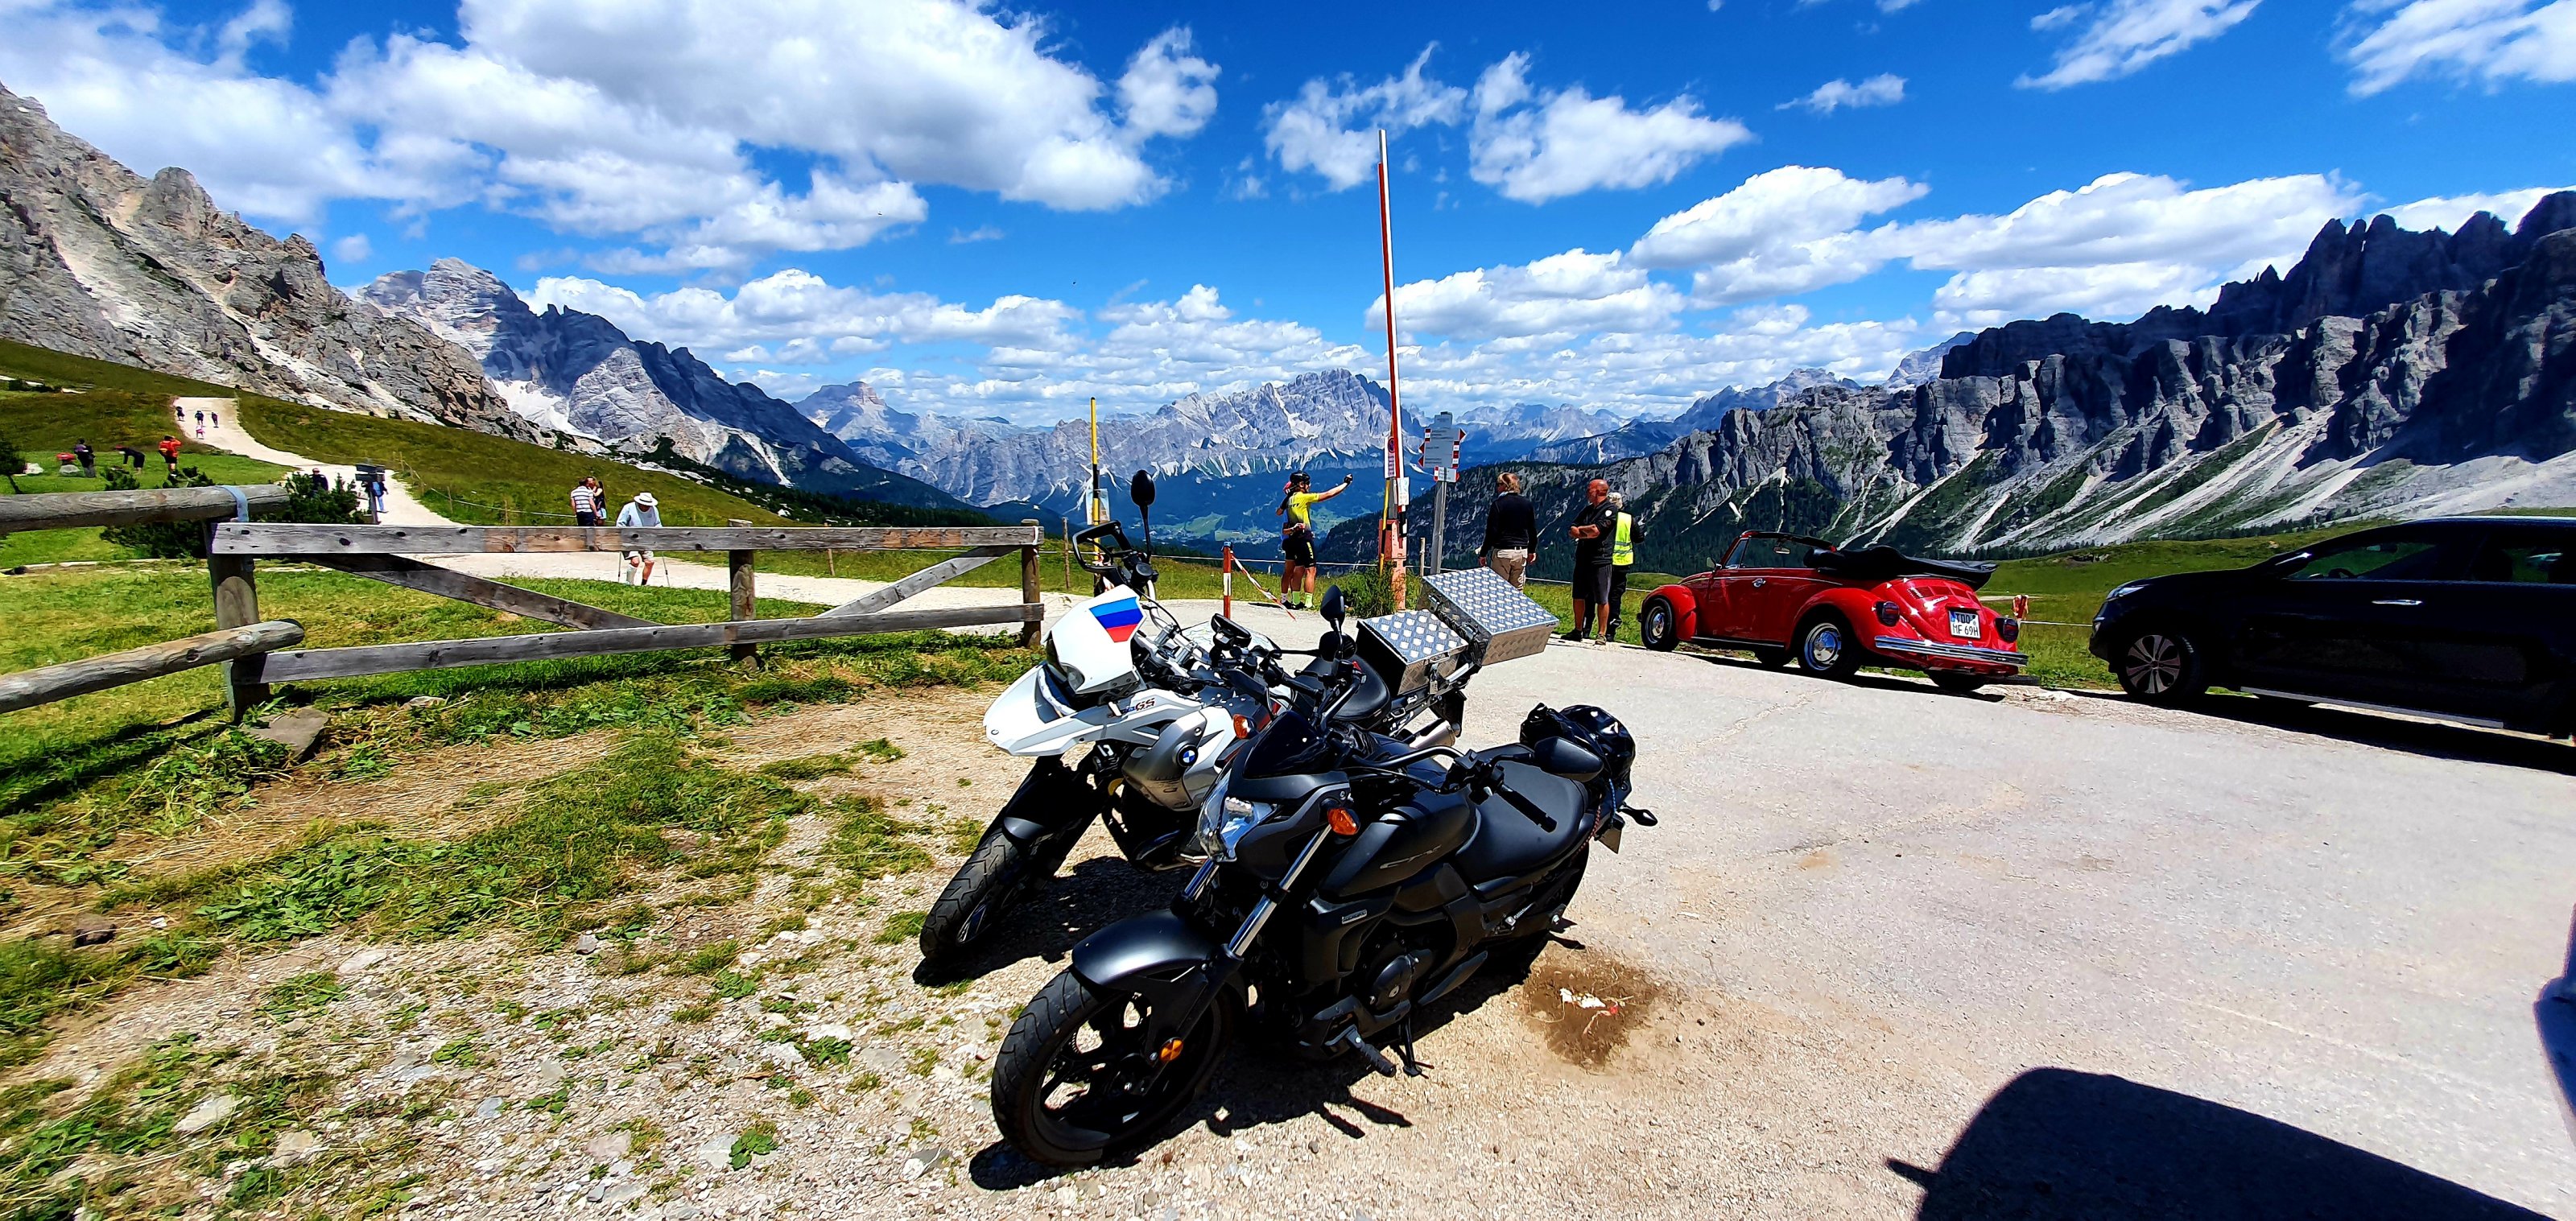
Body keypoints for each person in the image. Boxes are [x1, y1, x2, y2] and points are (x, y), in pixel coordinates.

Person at [1277, 471, 1352, 610]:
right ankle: (1308, 603)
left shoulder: (1289, 500)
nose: (1309, 486)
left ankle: (1296, 601)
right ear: (1301, 484)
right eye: (1307, 483)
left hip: (1293, 539)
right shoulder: (1304, 497)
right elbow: (1328, 494)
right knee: (1311, 570)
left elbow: (1279, 512)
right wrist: (1345, 484)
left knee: (1298, 570)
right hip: (1304, 538)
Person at [1564, 479, 1617, 646]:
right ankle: (1578, 630)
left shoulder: (1610, 510)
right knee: (1578, 595)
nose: (1587, 492)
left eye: (1590, 489)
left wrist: (1581, 532)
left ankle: (1601, 633)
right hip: (1583, 558)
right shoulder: (1587, 510)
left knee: (1602, 597)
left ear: (1599, 491)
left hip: (1600, 559)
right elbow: (1572, 529)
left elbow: (1596, 531)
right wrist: (1583, 532)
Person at [1480, 471, 1536, 589]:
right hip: (1521, 552)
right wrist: (1532, 550)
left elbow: (1491, 532)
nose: (1497, 487)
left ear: (1505, 486)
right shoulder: (1527, 504)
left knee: (1499, 589)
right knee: (1517, 590)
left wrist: (1483, 553)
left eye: (1499, 484)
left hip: (1503, 552)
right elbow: (1532, 530)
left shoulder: (1498, 504)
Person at [1605, 492, 1636, 639]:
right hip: (1622, 563)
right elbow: (1639, 537)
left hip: (1604, 561)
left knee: (1598, 594)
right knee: (1615, 596)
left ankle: (1587, 628)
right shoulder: (1628, 519)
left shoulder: (1603, 517)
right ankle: (1611, 629)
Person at [616, 491, 661, 584]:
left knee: (650, 562)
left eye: (648, 505)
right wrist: (624, 535)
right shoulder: (629, 507)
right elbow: (620, 524)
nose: (646, 507)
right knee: (635, 561)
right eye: (644, 505)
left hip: (646, 539)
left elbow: (657, 523)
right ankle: (629, 583)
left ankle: (643, 584)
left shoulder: (654, 510)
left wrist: (659, 533)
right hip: (630, 540)